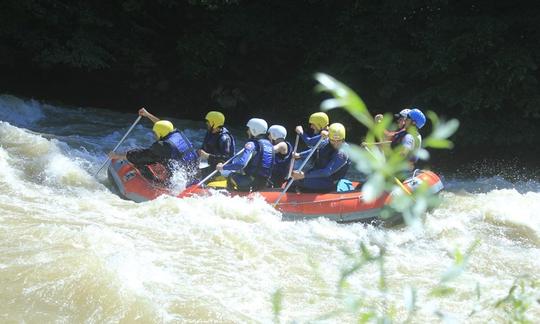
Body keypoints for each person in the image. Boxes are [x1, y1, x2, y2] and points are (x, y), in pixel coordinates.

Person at [108, 108, 199, 183]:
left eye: (155, 133)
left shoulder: (164, 146)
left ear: (160, 133)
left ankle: (155, 182)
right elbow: (163, 125)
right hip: (192, 171)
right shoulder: (177, 133)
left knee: (142, 159)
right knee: (160, 159)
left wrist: (117, 155)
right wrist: (147, 115)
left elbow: (141, 155)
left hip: (181, 177)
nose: (154, 135)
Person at [216, 118, 274, 191]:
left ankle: (233, 194)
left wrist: (223, 167)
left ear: (254, 130)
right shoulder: (270, 146)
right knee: (242, 173)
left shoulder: (251, 144)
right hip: (264, 182)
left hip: (251, 180)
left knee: (230, 176)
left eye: (249, 129)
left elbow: (241, 164)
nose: (247, 131)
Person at [291, 123, 351, 192]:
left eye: (339, 141)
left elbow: (327, 172)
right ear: (329, 138)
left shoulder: (343, 153)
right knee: (292, 178)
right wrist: (300, 155)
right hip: (319, 176)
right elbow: (315, 150)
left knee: (295, 181)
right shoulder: (326, 141)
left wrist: (304, 175)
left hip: (330, 182)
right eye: (333, 140)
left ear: (343, 139)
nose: (336, 143)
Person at [197, 111, 236, 177]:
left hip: (221, 167)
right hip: (210, 163)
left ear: (214, 123)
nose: (206, 123)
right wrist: (200, 152)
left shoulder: (224, 138)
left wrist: (207, 156)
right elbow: (204, 148)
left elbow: (226, 158)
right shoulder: (210, 132)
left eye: (208, 121)